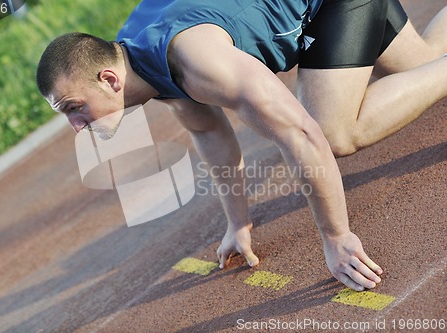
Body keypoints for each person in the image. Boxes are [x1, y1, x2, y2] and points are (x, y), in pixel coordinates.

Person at [36, 0, 447, 292]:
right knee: (424, 62)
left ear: (109, 80)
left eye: (74, 108)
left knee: (333, 131)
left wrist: (336, 236)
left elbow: (301, 135)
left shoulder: (197, 61)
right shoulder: (137, 59)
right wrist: (238, 223)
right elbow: (209, 133)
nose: (77, 127)